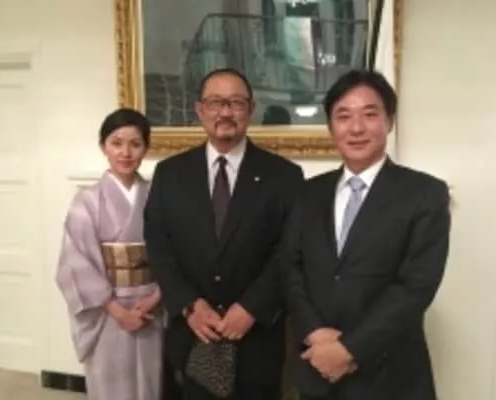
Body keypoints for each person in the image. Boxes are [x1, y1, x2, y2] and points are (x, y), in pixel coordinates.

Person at [282, 70, 451, 400]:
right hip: (317, 370)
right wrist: (315, 334)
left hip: (390, 375)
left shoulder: (424, 193)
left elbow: (416, 286)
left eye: (369, 114)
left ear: (389, 121)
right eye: (343, 116)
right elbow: (290, 268)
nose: (356, 128)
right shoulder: (307, 194)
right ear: (331, 126)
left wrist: (350, 350)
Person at [144, 68, 304, 400]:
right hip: (191, 332)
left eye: (236, 103)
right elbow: (159, 247)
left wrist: (251, 307)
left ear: (251, 109)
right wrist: (189, 305)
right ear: (199, 110)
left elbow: (289, 251)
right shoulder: (170, 173)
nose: (225, 112)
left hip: (256, 335)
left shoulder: (284, 176)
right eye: (215, 102)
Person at [56, 108, 163, 400]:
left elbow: (175, 251)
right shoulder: (86, 201)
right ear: (103, 146)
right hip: (107, 309)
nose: (125, 153)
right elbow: (76, 263)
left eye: (135, 144)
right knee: (110, 384)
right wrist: (117, 311)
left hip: (150, 303)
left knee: (151, 383)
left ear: (146, 149)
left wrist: (157, 296)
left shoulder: (157, 196)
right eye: (116, 143)